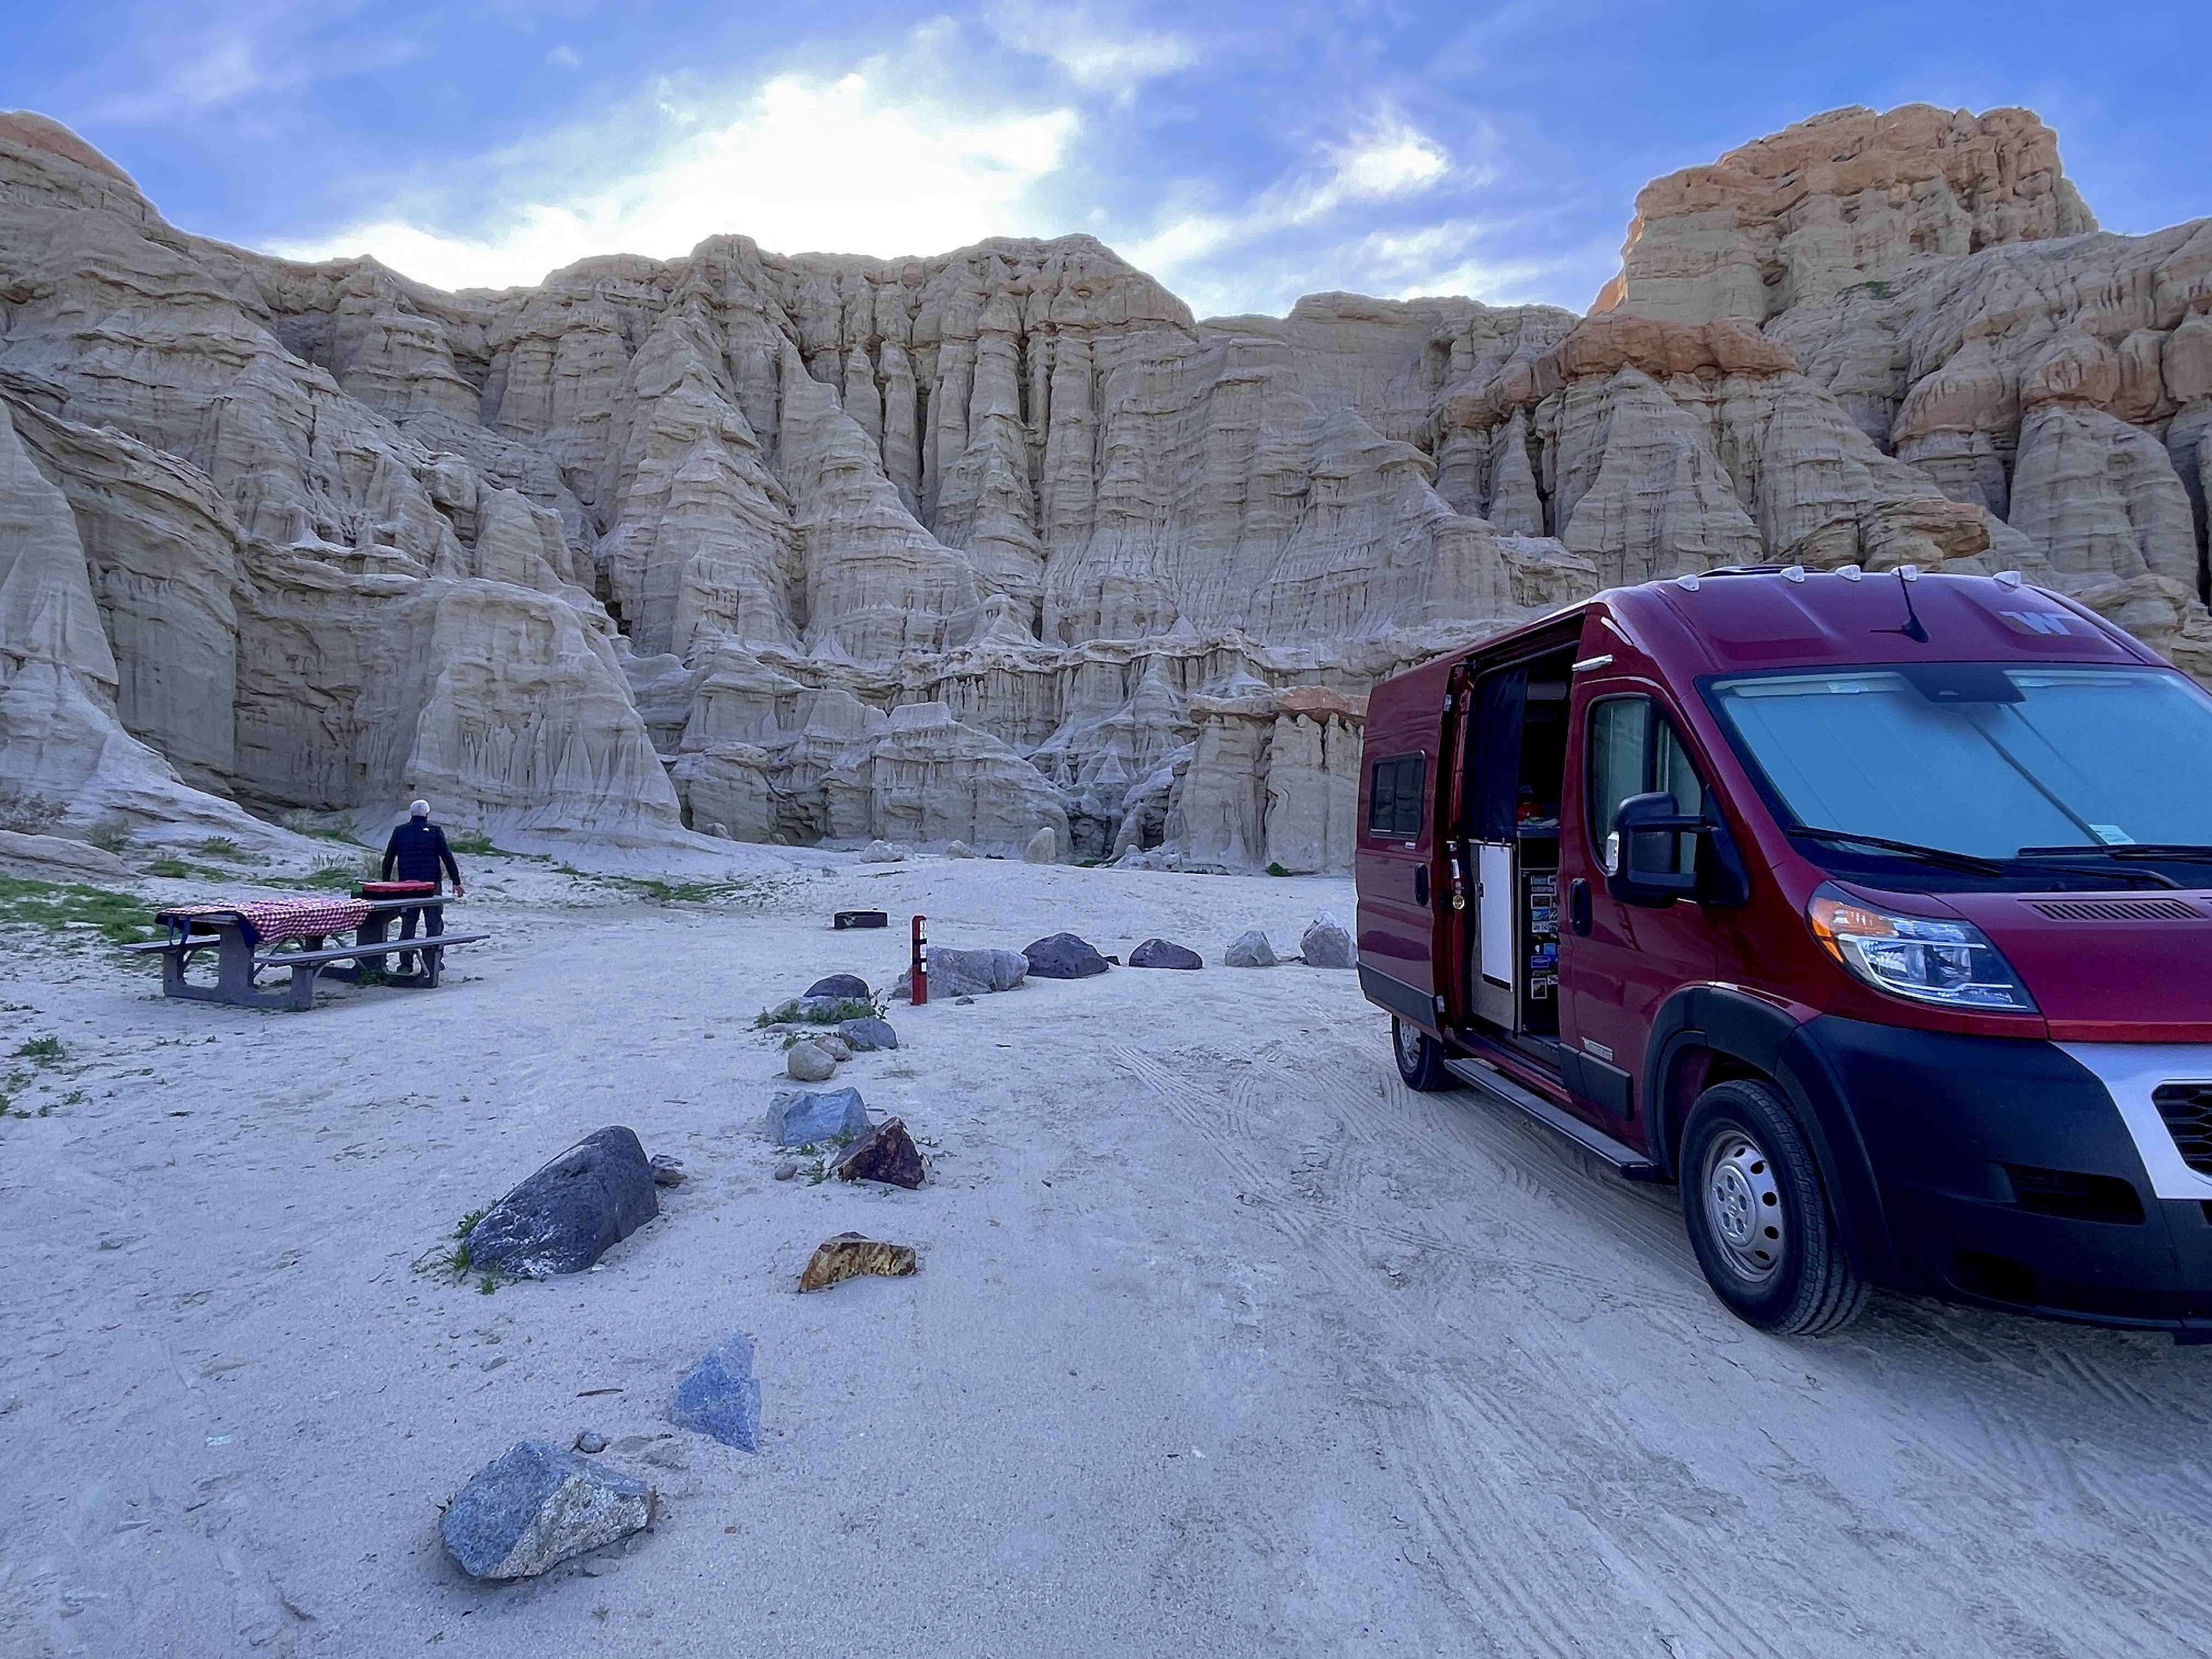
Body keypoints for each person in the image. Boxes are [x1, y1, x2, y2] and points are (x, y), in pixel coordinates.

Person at [382, 800, 465, 975]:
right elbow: (447, 857)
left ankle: (406, 964)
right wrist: (456, 881)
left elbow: (389, 858)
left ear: (411, 814)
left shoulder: (400, 831)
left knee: (409, 923)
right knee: (434, 923)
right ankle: (433, 961)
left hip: (408, 885)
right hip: (431, 885)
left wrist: (386, 882)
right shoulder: (435, 832)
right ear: (427, 814)